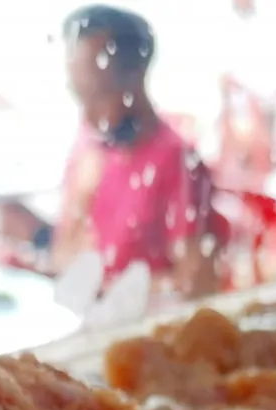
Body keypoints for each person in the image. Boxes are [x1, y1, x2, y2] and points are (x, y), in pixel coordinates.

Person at [53, 5, 226, 298]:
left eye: (100, 93)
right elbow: (61, 256)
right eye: (79, 95)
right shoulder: (91, 146)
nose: (89, 113)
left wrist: (109, 291)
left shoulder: (176, 161)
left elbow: (196, 285)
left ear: (135, 77)